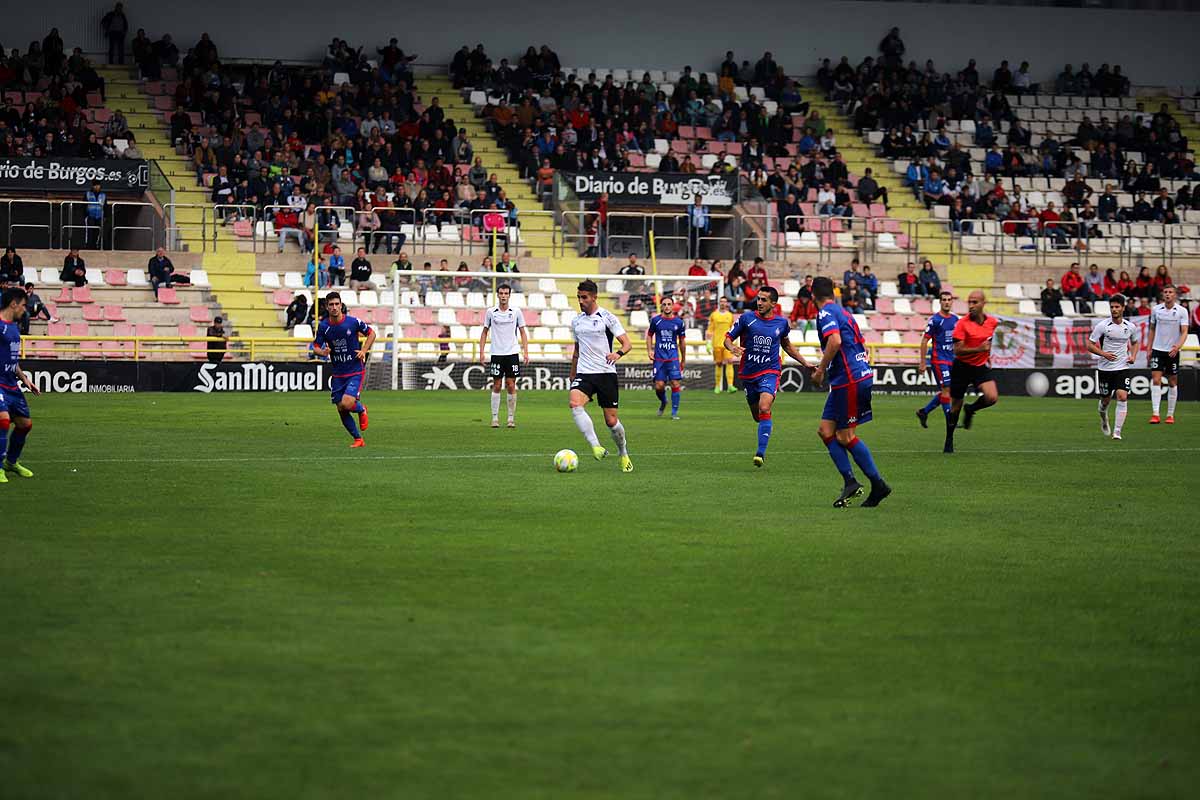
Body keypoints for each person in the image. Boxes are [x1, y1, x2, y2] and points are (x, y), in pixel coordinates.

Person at [808, 276, 889, 506]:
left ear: (813, 295)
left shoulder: (825, 314)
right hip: (849, 377)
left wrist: (821, 370)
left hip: (849, 380)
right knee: (825, 431)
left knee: (845, 436)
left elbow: (835, 341)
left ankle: (878, 484)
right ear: (833, 294)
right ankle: (850, 482)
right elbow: (859, 342)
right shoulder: (845, 313)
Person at [724, 286, 811, 468]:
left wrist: (805, 363)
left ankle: (760, 453)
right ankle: (765, 423)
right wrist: (732, 348)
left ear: (773, 303)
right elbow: (728, 339)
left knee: (764, 407)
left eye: (764, 300)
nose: (760, 303)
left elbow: (787, 345)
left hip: (770, 371)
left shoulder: (781, 323)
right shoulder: (747, 319)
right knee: (758, 415)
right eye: (758, 299)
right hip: (748, 374)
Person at [568, 280, 634, 472]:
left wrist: (618, 354)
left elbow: (627, 343)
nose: (580, 301)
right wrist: (573, 373)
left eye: (584, 297)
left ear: (594, 297)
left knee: (611, 422)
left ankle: (623, 453)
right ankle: (596, 446)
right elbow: (577, 349)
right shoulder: (577, 321)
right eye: (579, 297)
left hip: (605, 374)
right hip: (585, 373)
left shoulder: (608, 317)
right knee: (574, 403)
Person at [311, 291, 375, 448]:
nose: (334, 307)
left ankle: (361, 409)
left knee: (347, 403)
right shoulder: (324, 327)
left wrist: (364, 350)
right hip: (338, 373)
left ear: (341, 305)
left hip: (354, 370)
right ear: (327, 307)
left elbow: (371, 333)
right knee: (341, 408)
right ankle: (358, 439)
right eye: (331, 305)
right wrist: (323, 352)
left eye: (336, 304)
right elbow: (316, 347)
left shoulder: (352, 322)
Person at [944, 291, 1000, 454]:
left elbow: (990, 338)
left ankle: (971, 409)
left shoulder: (992, 322)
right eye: (969, 302)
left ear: (983, 303)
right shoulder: (962, 324)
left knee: (992, 397)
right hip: (961, 367)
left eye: (975, 302)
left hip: (980, 366)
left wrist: (987, 353)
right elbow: (958, 351)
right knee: (955, 407)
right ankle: (949, 439)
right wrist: (980, 348)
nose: (971, 306)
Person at [0, 287, 40, 483]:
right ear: (13, 304)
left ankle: (11, 463)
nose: (25, 310)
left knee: (25, 425)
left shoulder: (14, 328)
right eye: (24, 305)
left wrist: (25, 379)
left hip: (11, 384)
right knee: (3, 420)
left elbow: (12, 360)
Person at [1087, 295, 1138, 440]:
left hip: (1122, 367)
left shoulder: (1130, 327)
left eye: (1117, 307)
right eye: (1112, 307)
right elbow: (1089, 345)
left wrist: (1133, 356)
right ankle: (1103, 418)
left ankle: (1117, 432)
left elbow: (1135, 343)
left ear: (1123, 307)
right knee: (1105, 401)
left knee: (1122, 397)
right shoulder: (1102, 326)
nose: (1114, 310)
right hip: (1105, 369)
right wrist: (1103, 354)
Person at [479, 284, 529, 429]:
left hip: (512, 353)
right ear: (497, 295)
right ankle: (494, 418)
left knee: (511, 384)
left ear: (509, 295)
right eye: (501, 293)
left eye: (506, 293)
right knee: (497, 384)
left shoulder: (516, 312)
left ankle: (510, 418)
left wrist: (525, 351)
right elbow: (484, 332)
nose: (503, 296)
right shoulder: (490, 312)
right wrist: (482, 352)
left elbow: (523, 332)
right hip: (496, 353)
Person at [1145, 284, 1189, 424]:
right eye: (1165, 292)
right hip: (1158, 349)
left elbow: (1184, 331)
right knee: (1156, 379)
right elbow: (1152, 329)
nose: (1168, 294)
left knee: (1172, 381)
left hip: (1172, 351)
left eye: (1170, 292)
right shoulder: (1156, 310)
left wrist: (1178, 346)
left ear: (1175, 295)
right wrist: (1149, 347)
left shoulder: (1182, 311)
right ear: (1162, 295)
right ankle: (1155, 413)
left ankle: (1170, 414)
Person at [916, 291, 959, 428]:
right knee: (946, 389)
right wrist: (923, 362)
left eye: (949, 300)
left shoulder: (956, 320)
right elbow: (924, 341)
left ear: (952, 302)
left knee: (948, 391)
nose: (946, 302)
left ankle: (924, 411)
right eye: (944, 300)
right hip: (939, 360)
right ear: (940, 302)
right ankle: (950, 420)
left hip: (952, 360)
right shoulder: (935, 320)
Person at [646, 299, 687, 420]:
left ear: (673, 306)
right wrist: (649, 350)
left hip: (673, 358)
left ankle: (674, 413)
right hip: (659, 359)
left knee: (675, 382)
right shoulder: (656, 320)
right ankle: (664, 402)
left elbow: (682, 341)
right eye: (664, 304)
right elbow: (649, 335)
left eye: (669, 304)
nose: (667, 306)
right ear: (661, 306)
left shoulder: (679, 322)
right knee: (659, 386)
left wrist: (683, 359)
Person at [708, 295, 737, 393]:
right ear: (719, 303)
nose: (723, 303)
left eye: (725, 301)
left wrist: (734, 343)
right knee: (719, 364)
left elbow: (733, 330)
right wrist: (708, 343)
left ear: (727, 303)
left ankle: (730, 386)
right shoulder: (714, 315)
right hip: (716, 343)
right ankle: (717, 386)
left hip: (727, 343)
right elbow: (710, 329)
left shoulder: (730, 315)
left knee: (730, 361)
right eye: (721, 301)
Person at [84, 182, 106, 249]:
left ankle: (96, 245)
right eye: (95, 185)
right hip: (90, 216)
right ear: (92, 186)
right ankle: (88, 245)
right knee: (89, 231)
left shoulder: (103, 195)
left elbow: (106, 206)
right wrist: (85, 215)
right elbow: (83, 205)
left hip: (99, 216)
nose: (96, 187)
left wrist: (105, 216)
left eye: (98, 185)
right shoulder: (88, 194)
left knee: (98, 231)